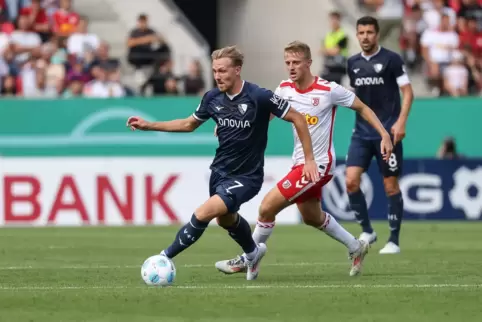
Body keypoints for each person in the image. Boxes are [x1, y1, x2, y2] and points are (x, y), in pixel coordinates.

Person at [126, 45, 319, 281]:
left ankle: (164, 257)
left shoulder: (259, 96)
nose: (218, 76)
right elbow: (189, 124)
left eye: (223, 71)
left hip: (248, 176)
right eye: (215, 71)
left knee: (203, 213)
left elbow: (297, 117)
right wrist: (149, 125)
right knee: (225, 219)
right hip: (220, 173)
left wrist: (309, 159)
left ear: (237, 70)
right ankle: (252, 252)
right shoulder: (212, 98)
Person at [214, 41, 393, 277]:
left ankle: (248, 257)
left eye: (296, 62)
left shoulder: (328, 90)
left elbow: (362, 108)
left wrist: (384, 135)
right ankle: (356, 247)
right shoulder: (284, 89)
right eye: (287, 62)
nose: (291, 67)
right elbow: (265, 116)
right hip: (299, 163)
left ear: (308, 63)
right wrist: (232, 126)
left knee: (267, 207)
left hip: (319, 164)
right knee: (311, 216)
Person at [346, 16, 414, 254]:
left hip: (388, 133)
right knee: (351, 180)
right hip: (361, 133)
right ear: (357, 34)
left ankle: (393, 240)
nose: (365, 36)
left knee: (390, 186)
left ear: (377, 35)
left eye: (369, 32)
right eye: (361, 32)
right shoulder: (352, 63)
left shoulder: (391, 59)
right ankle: (367, 230)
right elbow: (355, 98)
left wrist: (401, 122)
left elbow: (408, 92)